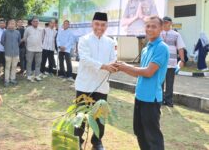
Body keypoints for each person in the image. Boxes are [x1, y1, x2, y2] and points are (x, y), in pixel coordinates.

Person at [115, 16, 169, 150]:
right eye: (148, 26)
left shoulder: (162, 47)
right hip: (140, 96)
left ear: (161, 28)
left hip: (151, 99)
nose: (150, 29)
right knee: (139, 132)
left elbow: (149, 72)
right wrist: (122, 67)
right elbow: (137, 72)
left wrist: (125, 66)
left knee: (152, 136)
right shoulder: (146, 48)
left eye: (154, 26)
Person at [74, 12, 117, 150]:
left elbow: (113, 59)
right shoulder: (84, 39)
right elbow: (85, 59)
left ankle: (97, 142)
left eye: (103, 25)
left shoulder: (111, 42)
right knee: (81, 115)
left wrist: (114, 66)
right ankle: (77, 140)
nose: (100, 27)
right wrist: (105, 66)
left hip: (102, 86)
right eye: (97, 24)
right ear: (92, 24)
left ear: (106, 26)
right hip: (85, 85)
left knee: (100, 117)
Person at [160, 16, 185, 107]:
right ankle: (160, 100)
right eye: (163, 22)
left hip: (172, 63)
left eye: (167, 22)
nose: (165, 24)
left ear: (171, 23)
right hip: (160, 63)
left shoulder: (176, 34)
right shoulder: (158, 33)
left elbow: (180, 48)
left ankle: (169, 101)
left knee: (170, 83)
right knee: (160, 82)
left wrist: (182, 60)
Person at [1, 19, 21, 86]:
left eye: (13, 23)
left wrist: (15, 47)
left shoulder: (17, 32)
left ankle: (13, 79)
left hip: (16, 53)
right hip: (8, 53)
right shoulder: (5, 32)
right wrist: (7, 46)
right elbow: (2, 41)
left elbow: (19, 41)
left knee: (14, 67)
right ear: (8, 24)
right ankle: (6, 80)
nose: (11, 25)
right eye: (10, 23)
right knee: (7, 67)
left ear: (15, 25)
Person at [23, 17, 43, 82]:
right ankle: (29, 76)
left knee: (38, 63)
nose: (36, 22)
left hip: (39, 49)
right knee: (29, 63)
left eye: (37, 21)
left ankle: (37, 75)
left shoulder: (41, 29)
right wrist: (27, 46)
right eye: (34, 21)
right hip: (30, 49)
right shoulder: (28, 29)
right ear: (31, 22)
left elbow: (42, 38)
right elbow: (25, 38)